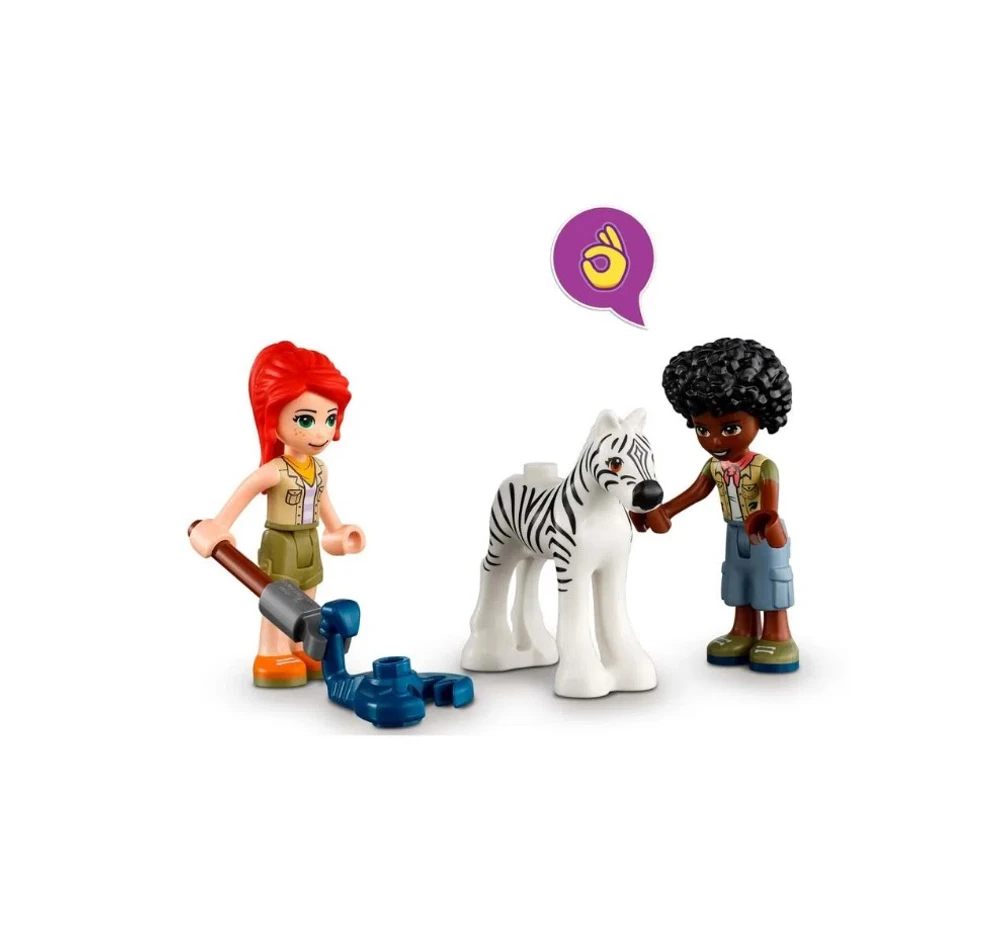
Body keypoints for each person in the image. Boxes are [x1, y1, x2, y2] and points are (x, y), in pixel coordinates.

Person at [189, 341, 365, 687]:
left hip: (309, 540)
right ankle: (271, 653)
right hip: (282, 541)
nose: (321, 432)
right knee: (279, 599)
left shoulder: (320, 469)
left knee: (308, 594)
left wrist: (339, 531)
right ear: (273, 418)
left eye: (329, 419)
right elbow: (244, 493)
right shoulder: (275, 470)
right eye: (305, 420)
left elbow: (324, 503)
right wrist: (218, 526)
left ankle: (299, 647)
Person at [637, 337, 798, 673]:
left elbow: (770, 505)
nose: (714, 440)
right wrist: (662, 512)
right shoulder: (715, 467)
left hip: (764, 534)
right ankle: (743, 630)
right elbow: (695, 492)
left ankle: (778, 635)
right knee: (738, 578)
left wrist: (766, 520)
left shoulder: (764, 466)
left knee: (770, 579)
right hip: (734, 531)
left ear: (761, 417)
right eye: (702, 429)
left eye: (730, 428)